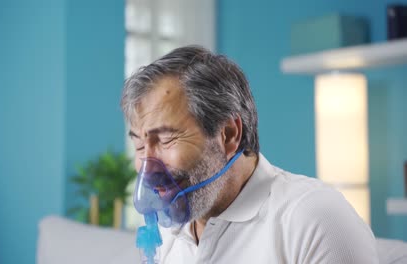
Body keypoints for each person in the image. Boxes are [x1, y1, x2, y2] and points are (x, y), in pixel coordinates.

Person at [121, 46, 378, 263]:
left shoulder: (316, 221)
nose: (148, 167)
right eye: (140, 147)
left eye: (166, 139)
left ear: (229, 134)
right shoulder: (168, 237)